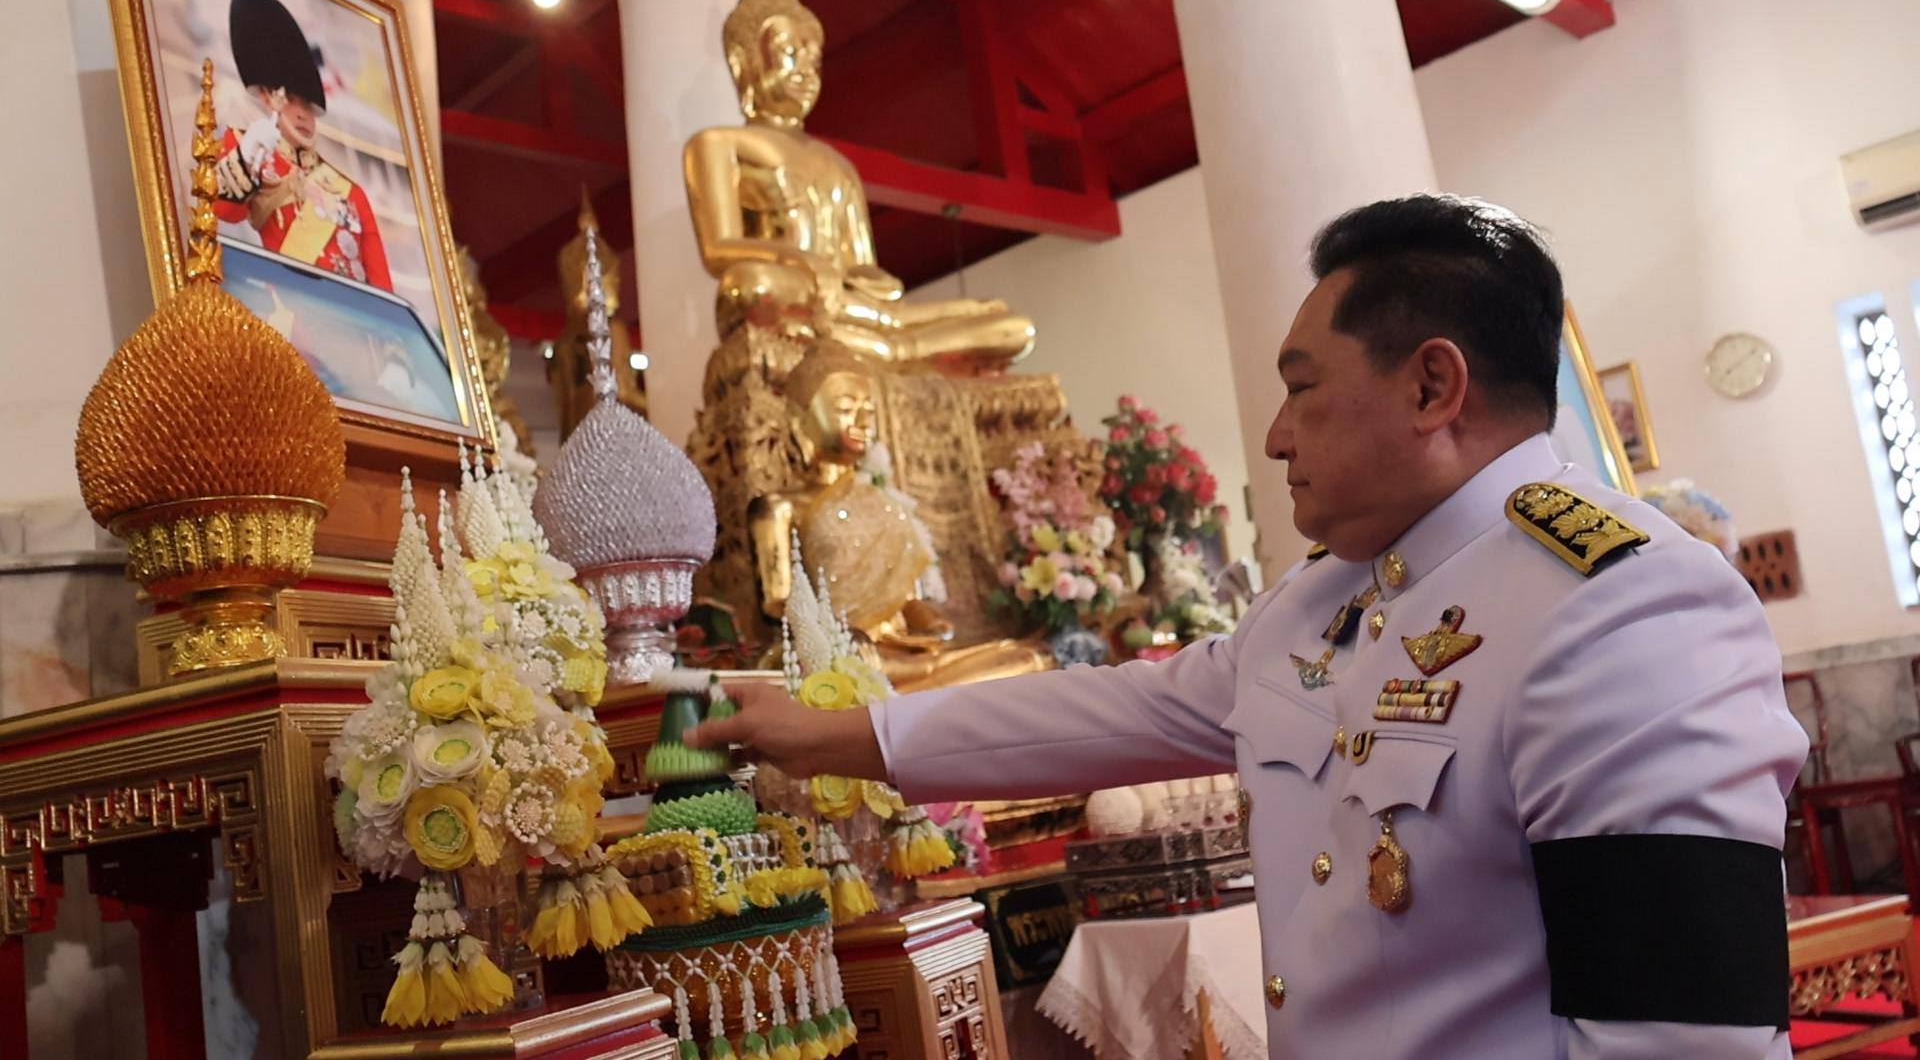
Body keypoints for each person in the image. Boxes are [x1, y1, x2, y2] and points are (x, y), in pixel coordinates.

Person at [688, 194, 1809, 1059]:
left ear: (1433, 388)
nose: (1273, 437)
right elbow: (1108, 708)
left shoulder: (1622, 601)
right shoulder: (1326, 603)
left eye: (1302, 387)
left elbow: (1681, 1037)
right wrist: (821, 733)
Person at [213, 0, 392, 292]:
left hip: (353, 325)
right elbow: (224, 212)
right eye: (293, 100)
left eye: (308, 104)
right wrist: (245, 157)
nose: (303, 114)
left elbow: (381, 287)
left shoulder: (351, 194)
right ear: (270, 98)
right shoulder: (249, 150)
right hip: (292, 314)